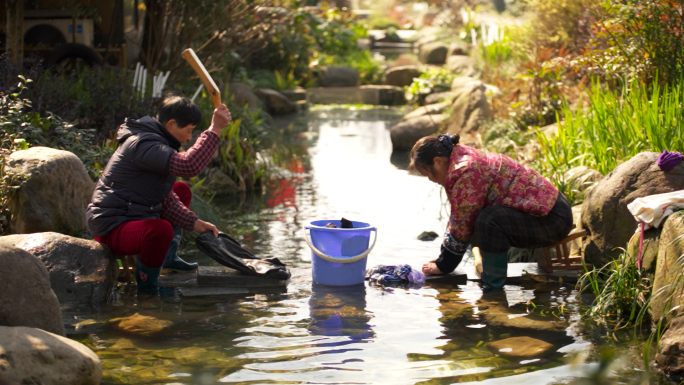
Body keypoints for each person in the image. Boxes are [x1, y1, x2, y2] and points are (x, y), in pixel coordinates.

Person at [86, 95, 232, 292]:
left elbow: (165, 199)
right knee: (160, 230)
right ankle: (147, 286)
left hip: (134, 216)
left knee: (180, 191)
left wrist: (195, 224)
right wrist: (215, 129)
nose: (189, 138)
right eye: (188, 131)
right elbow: (189, 165)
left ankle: (168, 259)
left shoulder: (156, 142)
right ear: (171, 125)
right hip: (112, 226)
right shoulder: (143, 144)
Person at [408, 133, 573, 289]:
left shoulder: (465, 171)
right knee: (482, 218)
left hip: (552, 219)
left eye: (428, 174)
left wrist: (444, 265)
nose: (430, 179)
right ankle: (491, 280)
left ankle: (493, 289)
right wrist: (442, 260)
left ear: (437, 161)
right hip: (551, 211)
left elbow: (462, 225)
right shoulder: (460, 157)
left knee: (488, 220)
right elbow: (459, 216)